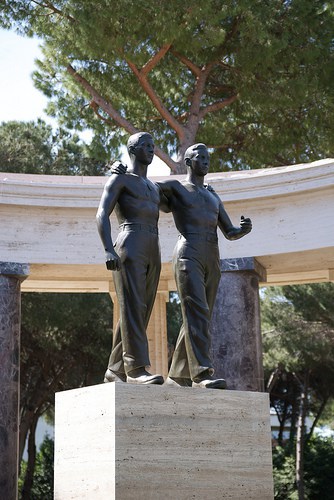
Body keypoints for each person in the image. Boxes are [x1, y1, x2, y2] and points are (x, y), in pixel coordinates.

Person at [110, 142, 252, 389]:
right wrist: (117, 172)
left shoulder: (212, 194)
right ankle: (201, 373)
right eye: (200, 156)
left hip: (212, 253)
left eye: (208, 156)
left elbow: (229, 231)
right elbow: (142, 187)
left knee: (201, 315)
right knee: (195, 311)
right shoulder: (174, 187)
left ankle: (178, 374)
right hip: (188, 251)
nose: (206, 160)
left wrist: (242, 230)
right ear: (188, 161)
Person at [96, 132, 164, 385]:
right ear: (132, 150)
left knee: (140, 309)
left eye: (153, 145)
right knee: (133, 307)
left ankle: (114, 370)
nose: (152, 149)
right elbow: (102, 213)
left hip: (152, 245)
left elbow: (182, 198)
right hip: (130, 240)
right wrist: (107, 249)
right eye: (145, 145)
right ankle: (135, 369)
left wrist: (202, 188)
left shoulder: (155, 187)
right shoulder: (120, 179)